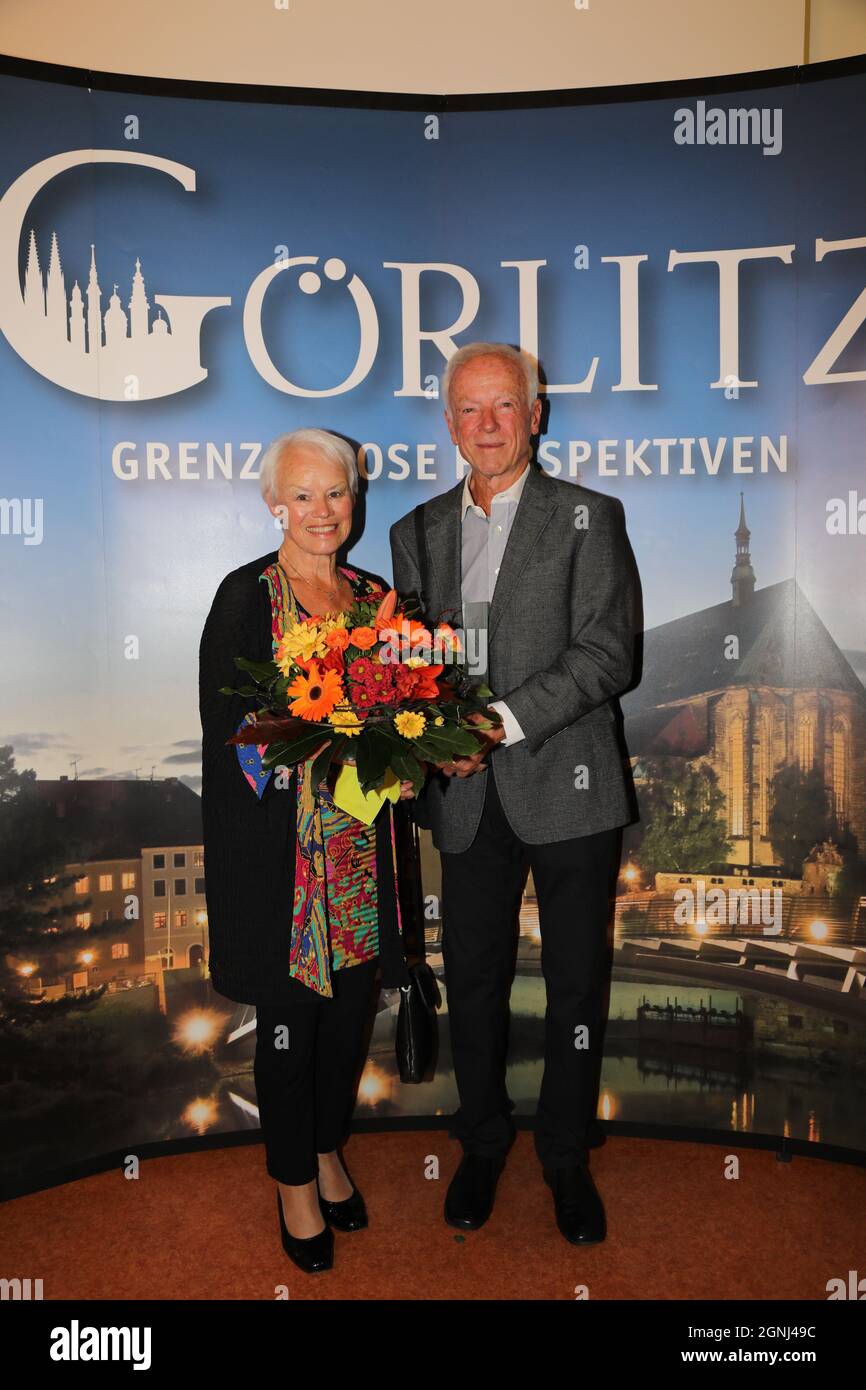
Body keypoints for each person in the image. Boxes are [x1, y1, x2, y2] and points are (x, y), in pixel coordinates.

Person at [390, 343, 638, 1245]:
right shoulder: (412, 532)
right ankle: (483, 1143)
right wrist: (433, 737)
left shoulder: (590, 516)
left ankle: (566, 1157)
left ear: (537, 413)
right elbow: (416, 664)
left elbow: (610, 654)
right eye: (468, 409)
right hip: (462, 801)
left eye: (504, 406)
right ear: (448, 422)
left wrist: (494, 723)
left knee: (576, 986)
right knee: (479, 982)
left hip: (571, 789)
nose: (486, 424)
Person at [199, 427, 414, 1274]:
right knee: (288, 1029)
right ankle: (293, 1179)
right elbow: (236, 735)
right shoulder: (246, 597)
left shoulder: (374, 595)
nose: (323, 511)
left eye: (337, 493)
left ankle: (327, 1149)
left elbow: (408, 710)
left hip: (363, 854)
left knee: (349, 1019)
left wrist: (410, 744)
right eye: (305, 495)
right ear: (273, 504)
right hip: (284, 866)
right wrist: (334, 738)